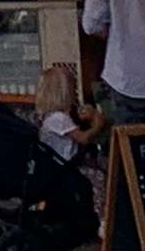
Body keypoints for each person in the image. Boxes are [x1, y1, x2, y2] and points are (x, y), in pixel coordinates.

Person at [33, 63, 107, 221]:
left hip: (57, 165)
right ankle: (100, 217)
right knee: (99, 178)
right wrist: (97, 125)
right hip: (67, 166)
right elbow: (82, 138)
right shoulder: (60, 118)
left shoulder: (49, 116)